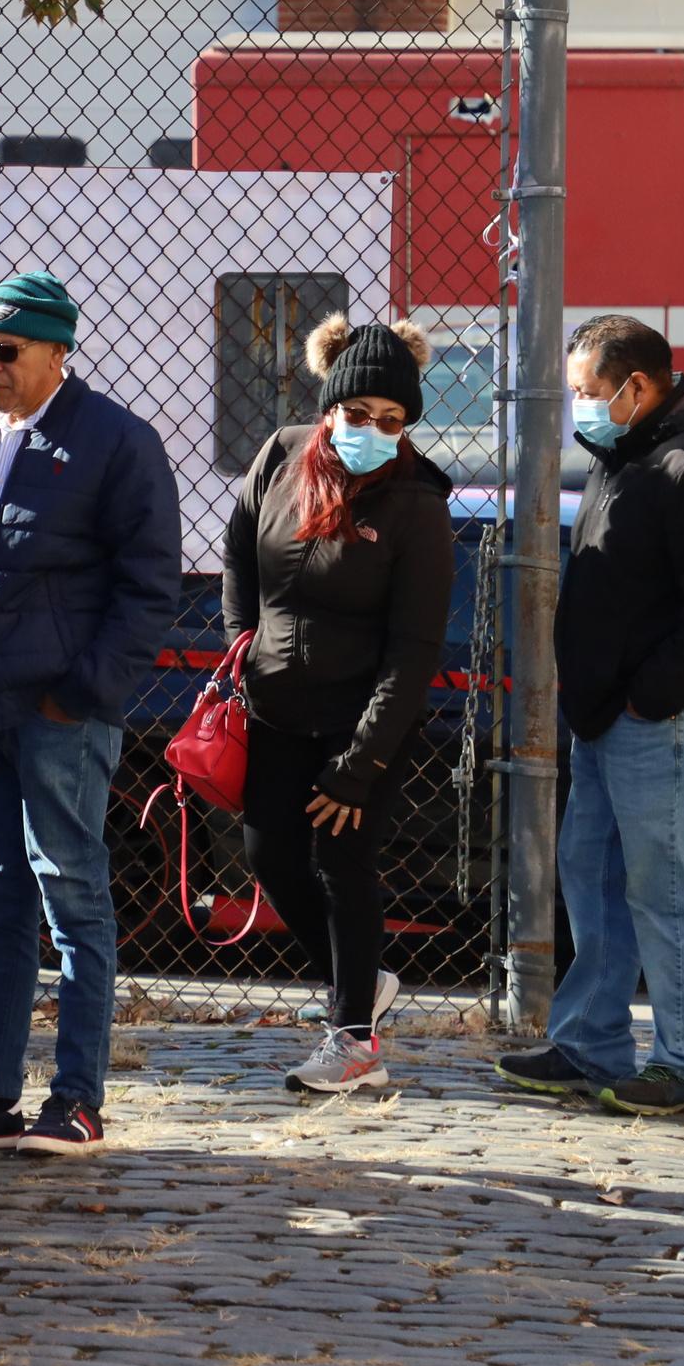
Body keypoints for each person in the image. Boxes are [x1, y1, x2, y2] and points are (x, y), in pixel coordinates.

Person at [0, 270, 179, 1160]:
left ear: (57, 352)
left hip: (57, 712)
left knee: (72, 894)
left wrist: (80, 691)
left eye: (5, 350)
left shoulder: (114, 441)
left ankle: (77, 1100)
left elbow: (149, 587)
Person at [494, 314, 684, 1117]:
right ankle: (590, 1042)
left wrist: (650, 696)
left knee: (670, 890)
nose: (579, 406)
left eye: (588, 392)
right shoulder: (632, 453)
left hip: (664, 721)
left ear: (637, 387)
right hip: (613, 718)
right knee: (597, 881)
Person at [224, 317, 455, 1097]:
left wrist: (361, 764)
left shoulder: (417, 503)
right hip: (275, 707)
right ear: (330, 407)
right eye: (358, 413)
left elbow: (415, 650)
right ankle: (359, 983)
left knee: (342, 863)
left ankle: (355, 1041)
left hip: (361, 720)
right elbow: (240, 549)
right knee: (267, 855)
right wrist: (242, 642)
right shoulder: (281, 455)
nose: (373, 431)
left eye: (392, 420)